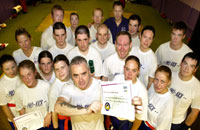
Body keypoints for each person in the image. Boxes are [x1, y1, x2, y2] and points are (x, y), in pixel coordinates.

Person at [55, 56, 104, 130]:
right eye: (76, 75)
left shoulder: (100, 85)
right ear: (71, 75)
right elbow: (58, 107)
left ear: (89, 71)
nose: (81, 79)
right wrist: (86, 110)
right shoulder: (68, 88)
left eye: (83, 74)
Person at [110, 55, 148, 130]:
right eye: (127, 69)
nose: (130, 74)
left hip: (126, 124)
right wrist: (108, 118)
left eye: (134, 70)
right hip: (113, 117)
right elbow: (110, 100)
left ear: (138, 71)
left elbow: (139, 119)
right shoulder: (117, 79)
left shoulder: (141, 91)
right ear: (124, 68)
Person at [15, 60, 51, 130]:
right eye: (23, 76)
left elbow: (53, 104)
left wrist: (49, 115)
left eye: (29, 74)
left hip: (47, 123)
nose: (26, 79)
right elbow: (21, 110)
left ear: (35, 72)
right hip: (32, 126)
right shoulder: (18, 91)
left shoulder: (46, 86)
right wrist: (22, 124)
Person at [170, 52, 200, 130]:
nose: (186, 68)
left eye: (191, 66)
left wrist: (185, 127)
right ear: (181, 63)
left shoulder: (197, 87)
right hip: (159, 116)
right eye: (185, 63)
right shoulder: (170, 75)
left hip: (175, 123)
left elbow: (195, 111)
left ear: (195, 69)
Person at [139, 65, 174, 130]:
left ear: (169, 82)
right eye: (156, 79)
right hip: (142, 121)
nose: (158, 84)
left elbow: (161, 128)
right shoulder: (153, 86)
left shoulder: (168, 103)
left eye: (162, 81)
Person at [49, 54, 72, 130]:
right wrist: (56, 128)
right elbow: (54, 111)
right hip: (64, 121)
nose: (60, 72)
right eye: (57, 69)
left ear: (69, 67)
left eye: (62, 67)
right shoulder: (54, 88)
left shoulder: (75, 77)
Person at [0, 55, 21, 130]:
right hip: (14, 115)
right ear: (2, 69)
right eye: (7, 69)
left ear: (16, 64)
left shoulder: (22, 74)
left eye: (13, 67)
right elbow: (4, 106)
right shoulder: (2, 84)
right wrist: (14, 121)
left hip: (28, 111)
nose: (12, 71)